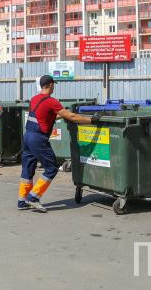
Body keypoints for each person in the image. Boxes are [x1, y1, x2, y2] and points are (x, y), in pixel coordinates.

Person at [18, 74, 102, 212]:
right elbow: (72, 117)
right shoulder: (52, 101)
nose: (54, 87)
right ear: (50, 85)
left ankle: (22, 200)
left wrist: (61, 114)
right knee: (51, 168)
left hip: (27, 136)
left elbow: (44, 115)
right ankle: (34, 197)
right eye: (53, 85)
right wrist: (92, 120)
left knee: (27, 168)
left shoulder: (34, 99)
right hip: (38, 138)